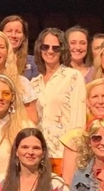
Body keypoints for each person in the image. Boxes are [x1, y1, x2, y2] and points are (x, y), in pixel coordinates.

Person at [28, 28, 86, 174]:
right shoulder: (33, 83)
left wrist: (72, 156)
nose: (50, 51)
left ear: (63, 50)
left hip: (64, 155)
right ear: (39, 49)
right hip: (39, 155)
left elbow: (78, 121)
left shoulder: (73, 76)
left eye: (56, 47)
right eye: (45, 47)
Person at [0, 14, 36, 79]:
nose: (13, 35)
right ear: (1, 34)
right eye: (9, 31)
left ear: (24, 36)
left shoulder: (33, 62)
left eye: (18, 32)